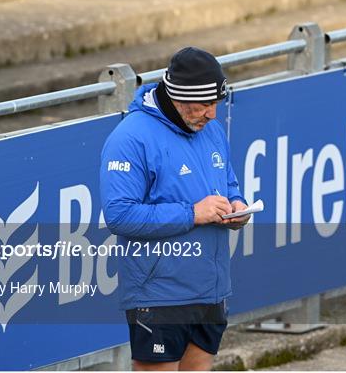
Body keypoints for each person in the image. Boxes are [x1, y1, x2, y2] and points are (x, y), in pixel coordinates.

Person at [100, 47, 250, 371]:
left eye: (216, 104)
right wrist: (194, 213)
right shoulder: (130, 138)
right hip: (159, 294)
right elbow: (119, 215)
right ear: (180, 97)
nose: (212, 114)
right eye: (205, 105)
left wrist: (236, 207)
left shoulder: (209, 129)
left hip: (210, 288)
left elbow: (229, 185)